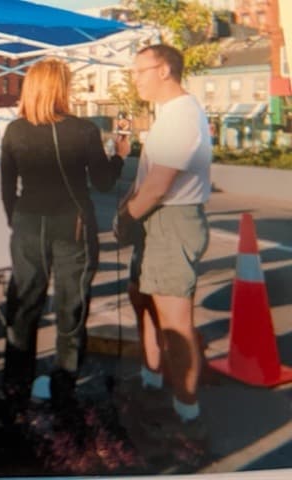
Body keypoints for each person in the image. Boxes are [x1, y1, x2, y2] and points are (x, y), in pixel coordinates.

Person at [0, 58, 130, 422]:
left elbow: (7, 187)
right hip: (72, 223)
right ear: (60, 88)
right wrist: (119, 157)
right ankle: (63, 389)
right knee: (71, 308)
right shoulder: (83, 130)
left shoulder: (14, 131)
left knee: (24, 307)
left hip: (27, 222)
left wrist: (16, 220)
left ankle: (14, 390)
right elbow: (103, 182)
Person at [114, 44, 211, 443]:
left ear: (166, 70)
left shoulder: (182, 117)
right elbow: (148, 179)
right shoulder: (169, 115)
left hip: (171, 221)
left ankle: (186, 411)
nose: (135, 78)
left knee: (174, 322)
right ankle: (151, 380)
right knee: (144, 301)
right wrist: (132, 206)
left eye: (141, 70)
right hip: (157, 222)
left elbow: (158, 186)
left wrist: (126, 217)